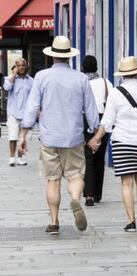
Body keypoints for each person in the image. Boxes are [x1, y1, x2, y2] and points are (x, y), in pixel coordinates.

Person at [18, 36, 99, 235]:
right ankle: (75, 199)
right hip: (73, 136)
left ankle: (54, 222)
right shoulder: (80, 78)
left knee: (52, 180)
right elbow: (91, 110)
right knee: (76, 175)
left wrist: (24, 133)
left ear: (52, 56)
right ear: (69, 57)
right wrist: (95, 130)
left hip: (49, 137)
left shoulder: (41, 77)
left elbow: (33, 106)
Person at [88, 56, 137, 232]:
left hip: (122, 142)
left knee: (126, 183)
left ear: (122, 75)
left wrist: (96, 138)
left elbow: (107, 121)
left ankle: (131, 222)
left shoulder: (116, 93)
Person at [81, 55, 113, 206]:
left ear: (83, 67)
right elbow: (111, 103)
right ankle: (98, 193)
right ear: (97, 67)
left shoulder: (81, 82)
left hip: (85, 119)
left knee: (88, 158)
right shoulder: (106, 83)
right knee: (100, 158)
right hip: (103, 121)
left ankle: (89, 195)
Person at [3, 59, 33, 166]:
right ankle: (12, 158)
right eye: (19, 65)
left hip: (25, 114)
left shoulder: (31, 81)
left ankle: (20, 158)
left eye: (23, 65)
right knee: (13, 136)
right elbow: (6, 87)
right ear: (16, 67)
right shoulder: (9, 79)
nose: (21, 67)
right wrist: (14, 75)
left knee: (23, 137)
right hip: (13, 112)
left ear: (26, 66)